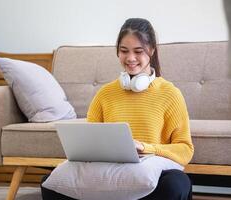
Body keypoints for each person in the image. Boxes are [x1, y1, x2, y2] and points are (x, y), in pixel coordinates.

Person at [41, 18, 194, 200]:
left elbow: (185, 149)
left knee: (176, 184)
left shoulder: (170, 93)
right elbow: (90, 141)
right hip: (109, 174)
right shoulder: (105, 94)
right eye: (124, 51)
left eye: (138, 51)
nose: (130, 58)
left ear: (152, 50)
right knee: (50, 183)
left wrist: (145, 147)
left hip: (149, 175)